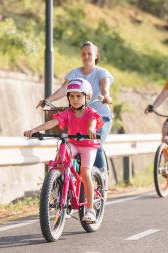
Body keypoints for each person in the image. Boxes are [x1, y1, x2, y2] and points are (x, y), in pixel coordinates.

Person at [25, 78, 104, 222]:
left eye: (78, 96)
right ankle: (60, 182)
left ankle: (91, 210)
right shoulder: (67, 113)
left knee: (85, 172)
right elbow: (52, 122)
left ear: (87, 97)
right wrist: (35, 129)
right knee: (61, 154)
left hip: (88, 145)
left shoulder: (90, 112)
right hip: (73, 143)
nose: (74, 99)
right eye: (71, 96)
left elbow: (93, 121)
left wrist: (91, 129)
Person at [36, 41, 113, 180]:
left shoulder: (102, 73)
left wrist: (106, 96)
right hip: (80, 116)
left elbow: (104, 88)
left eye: (90, 53)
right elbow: (63, 90)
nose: (86, 56)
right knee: (69, 144)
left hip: (100, 116)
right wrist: (49, 100)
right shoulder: (75, 72)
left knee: (96, 143)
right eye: (83, 53)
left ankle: (101, 176)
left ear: (96, 55)